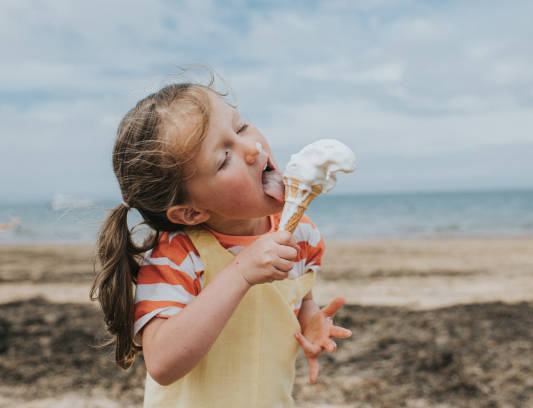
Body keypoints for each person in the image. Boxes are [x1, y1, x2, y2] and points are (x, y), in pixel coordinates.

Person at [90, 81, 352, 407]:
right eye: (224, 158)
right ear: (191, 211)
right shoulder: (177, 256)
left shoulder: (301, 235)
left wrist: (310, 321)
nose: (251, 148)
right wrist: (240, 273)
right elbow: (162, 363)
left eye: (240, 126)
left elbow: (298, 297)